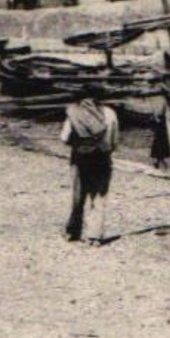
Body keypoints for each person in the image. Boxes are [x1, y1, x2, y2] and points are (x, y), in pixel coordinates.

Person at [60, 86, 121, 246]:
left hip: (80, 157)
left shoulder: (75, 112)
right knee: (99, 197)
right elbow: (115, 141)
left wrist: (79, 145)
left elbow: (64, 138)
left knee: (78, 197)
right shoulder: (110, 113)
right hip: (102, 158)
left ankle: (73, 232)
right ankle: (94, 236)